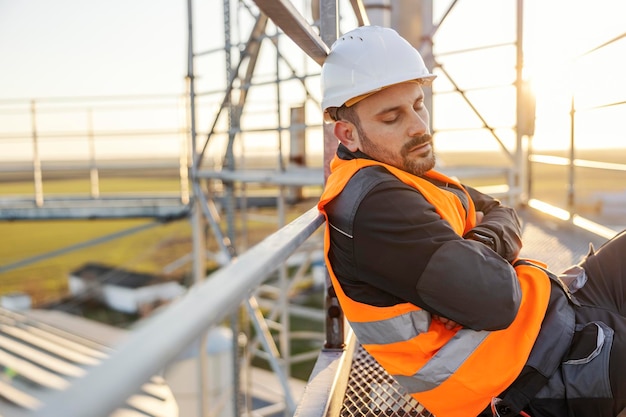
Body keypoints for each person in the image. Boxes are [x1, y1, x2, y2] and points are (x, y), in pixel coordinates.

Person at [317, 25, 626, 417]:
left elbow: (502, 211)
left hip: (554, 317)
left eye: (418, 104)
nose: (418, 125)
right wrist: (484, 250)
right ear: (348, 134)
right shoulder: (377, 207)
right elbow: (497, 299)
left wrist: (476, 248)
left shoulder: (403, 166)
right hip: (543, 378)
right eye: (392, 117)